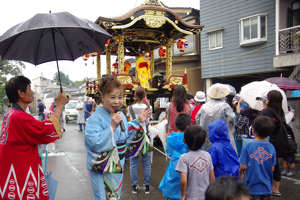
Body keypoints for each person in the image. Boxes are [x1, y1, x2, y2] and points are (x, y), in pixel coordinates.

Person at [0, 76, 68, 200]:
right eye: (30, 88)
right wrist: (59, 105)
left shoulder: (10, 113)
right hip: (21, 175)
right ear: (21, 93)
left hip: (12, 171)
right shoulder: (19, 117)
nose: (32, 92)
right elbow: (47, 130)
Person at [84, 75, 152, 200]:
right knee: (103, 197)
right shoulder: (94, 119)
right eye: (112, 97)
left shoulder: (120, 115)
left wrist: (138, 122)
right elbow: (94, 142)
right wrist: (111, 128)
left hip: (117, 165)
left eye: (120, 97)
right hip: (103, 168)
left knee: (115, 196)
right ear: (103, 97)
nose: (117, 101)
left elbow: (126, 133)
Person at [239, 116, 277, 200]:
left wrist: (240, 171)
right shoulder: (271, 147)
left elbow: (244, 166)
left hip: (251, 187)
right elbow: (272, 168)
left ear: (253, 130)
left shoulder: (247, 146)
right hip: (267, 188)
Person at [175, 125, 215, 200]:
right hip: (206, 196)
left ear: (184, 141)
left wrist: (183, 195)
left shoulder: (184, 158)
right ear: (205, 141)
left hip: (191, 196)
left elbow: (183, 180)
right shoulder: (207, 155)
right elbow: (212, 177)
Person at [159, 113, 191, 200]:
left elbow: (169, 152)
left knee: (171, 188)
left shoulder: (171, 138)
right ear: (188, 126)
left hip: (174, 166)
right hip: (187, 167)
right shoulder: (190, 138)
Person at [127, 86, 153, 194]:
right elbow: (148, 121)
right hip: (145, 136)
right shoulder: (148, 107)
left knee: (133, 162)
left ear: (135, 95)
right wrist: (147, 104)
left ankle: (134, 186)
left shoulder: (130, 108)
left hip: (134, 137)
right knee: (146, 163)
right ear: (144, 95)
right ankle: (146, 187)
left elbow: (132, 120)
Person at [196, 84, 236, 151]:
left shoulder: (204, 106)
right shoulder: (225, 106)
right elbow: (232, 118)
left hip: (207, 135)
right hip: (222, 136)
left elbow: (197, 117)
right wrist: (230, 129)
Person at [260, 90, 285, 196]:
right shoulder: (280, 112)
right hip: (278, 142)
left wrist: (263, 109)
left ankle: (266, 186)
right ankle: (276, 188)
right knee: (276, 165)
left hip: (267, 142)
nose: (266, 99)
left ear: (271, 100)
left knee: (265, 164)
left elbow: (261, 125)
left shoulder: (266, 112)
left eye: (267, 97)